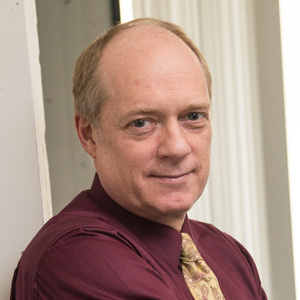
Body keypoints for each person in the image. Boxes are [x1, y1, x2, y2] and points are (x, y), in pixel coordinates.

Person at [10, 18, 268, 300]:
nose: (177, 147)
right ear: (89, 135)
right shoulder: (75, 257)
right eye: (142, 123)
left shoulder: (228, 255)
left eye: (193, 117)